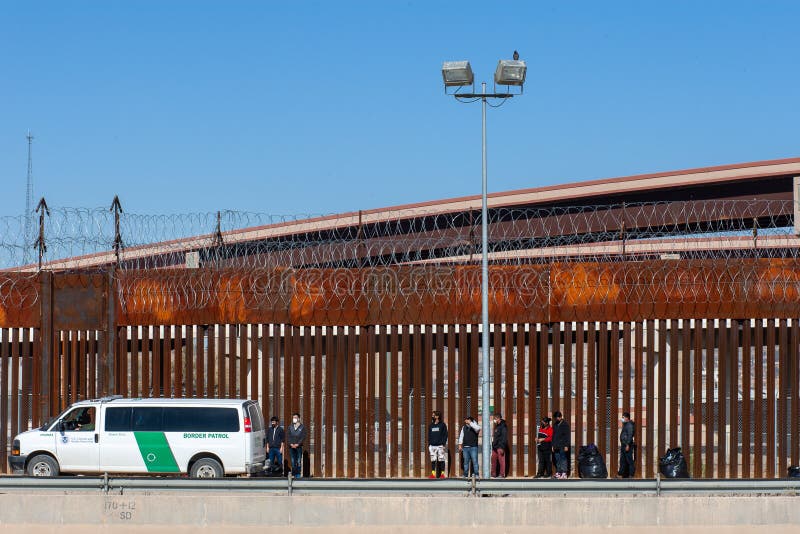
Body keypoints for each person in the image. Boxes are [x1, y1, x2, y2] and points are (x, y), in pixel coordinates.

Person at [427, 410, 449, 479]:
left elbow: (445, 435)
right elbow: (429, 435)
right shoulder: (431, 425)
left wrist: (443, 443)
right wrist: (429, 443)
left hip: (440, 445)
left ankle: (442, 474)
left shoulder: (442, 425)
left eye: (433, 415)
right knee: (433, 460)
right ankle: (433, 474)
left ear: (437, 416)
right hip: (432, 445)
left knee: (441, 459)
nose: (432, 416)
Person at [286, 412, 307, 479]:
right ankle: (294, 474)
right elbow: (288, 436)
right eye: (293, 418)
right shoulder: (290, 427)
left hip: (299, 447)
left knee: (298, 461)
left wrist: (298, 444)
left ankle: (298, 475)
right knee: (293, 461)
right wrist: (291, 444)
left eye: (295, 417)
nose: (294, 419)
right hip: (291, 447)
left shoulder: (302, 427)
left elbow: (303, 436)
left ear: (299, 418)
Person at [551, 410, 571, 479]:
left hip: (562, 445)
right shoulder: (555, 424)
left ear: (560, 417)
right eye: (555, 418)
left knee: (563, 459)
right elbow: (553, 435)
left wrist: (566, 445)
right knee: (557, 459)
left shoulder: (565, 425)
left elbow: (567, 436)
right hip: (556, 445)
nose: (556, 419)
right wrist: (552, 445)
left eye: (557, 417)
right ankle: (559, 472)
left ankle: (564, 473)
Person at [617, 411, 636, 478]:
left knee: (629, 460)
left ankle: (631, 474)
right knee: (622, 460)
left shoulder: (629, 425)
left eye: (623, 417)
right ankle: (620, 474)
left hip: (627, 445)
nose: (622, 419)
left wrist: (628, 445)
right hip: (623, 445)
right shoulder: (626, 425)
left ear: (627, 418)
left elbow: (630, 435)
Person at [490, 412, 509, 478]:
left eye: (495, 418)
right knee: (493, 460)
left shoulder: (503, 426)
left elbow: (504, 437)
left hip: (500, 446)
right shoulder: (497, 426)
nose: (494, 420)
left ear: (498, 418)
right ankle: (493, 474)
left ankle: (502, 474)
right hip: (495, 447)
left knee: (501, 461)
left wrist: (502, 447)